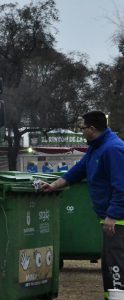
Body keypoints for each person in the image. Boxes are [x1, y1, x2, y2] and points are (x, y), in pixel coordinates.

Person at [40, 111, 124, 296]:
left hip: (118, 221)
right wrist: (54, 185)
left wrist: (113, 215)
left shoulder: (113, 149)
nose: (82, 132)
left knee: (116, 267)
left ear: (92, 129)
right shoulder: (96, 147)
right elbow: (79, 170)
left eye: (83, 128)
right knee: (110, 265)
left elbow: (121, 186)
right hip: (109, 218)